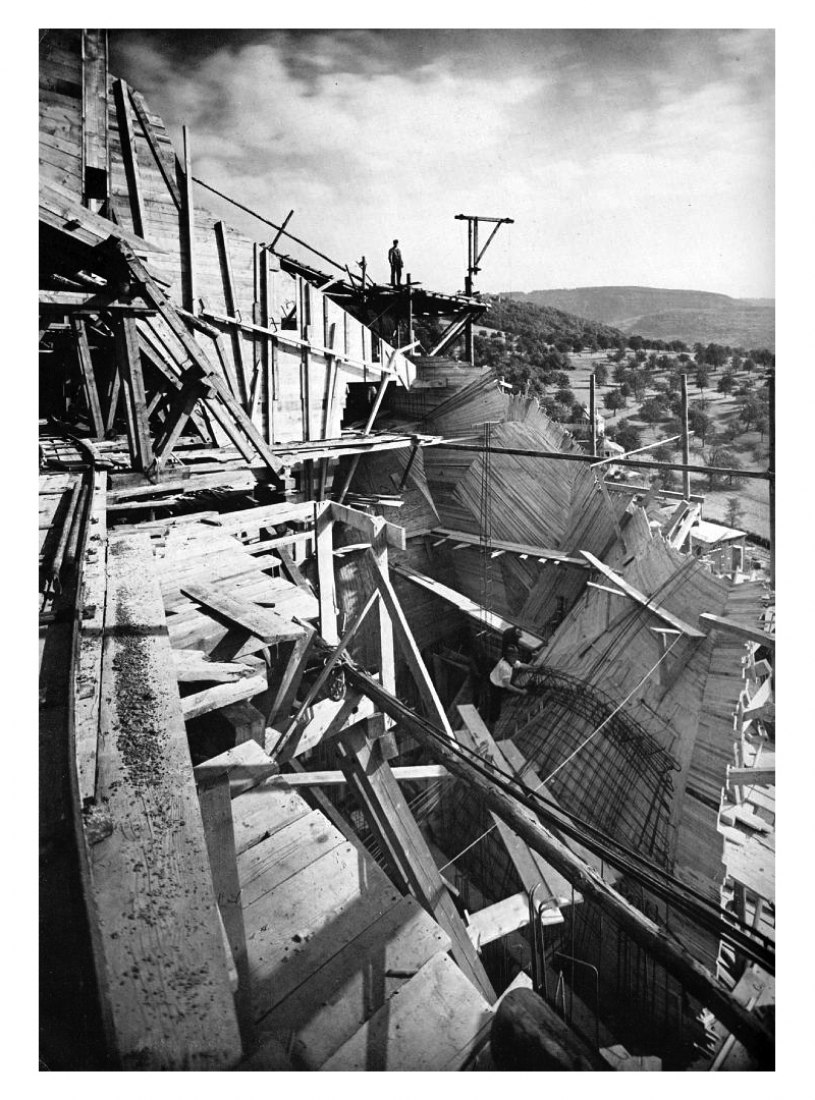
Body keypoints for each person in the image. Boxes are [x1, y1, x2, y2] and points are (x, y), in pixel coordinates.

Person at [488, 644, 531, 727]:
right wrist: (521, 692)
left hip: (498, 682)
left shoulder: (508, 660)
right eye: (515, 656)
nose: (516, 657)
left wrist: (532, 667)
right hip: (495, 687)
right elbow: (508, 686)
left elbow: (520, 665)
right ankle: (490, 726)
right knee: (494, 709)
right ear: (510, 656)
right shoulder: (505, 668)